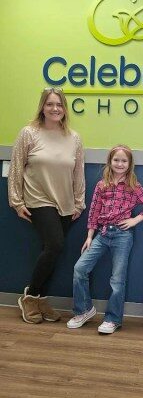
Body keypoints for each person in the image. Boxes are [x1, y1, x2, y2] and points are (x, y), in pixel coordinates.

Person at [8, 88, 85, 324]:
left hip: (66, 203)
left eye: (59, 105)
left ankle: (40, 299)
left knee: (52, 251)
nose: (55, 109)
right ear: (42, 106)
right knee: (55, 244)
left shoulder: (74, 138)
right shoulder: (29, 133)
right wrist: (16, 201)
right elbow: (16, 168)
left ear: (65, 109)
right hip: (38, 199)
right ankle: (29, 297)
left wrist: (79, 202)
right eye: (50, 104)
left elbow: (78, 172)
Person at [67, 144, 143, 335]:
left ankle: (113, 319)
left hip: (123, 236)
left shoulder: (134, 185)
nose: (120, 163)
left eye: (124, 161)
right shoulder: (102, 185)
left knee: (117, 280)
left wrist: (134, 220)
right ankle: (84, 310)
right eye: (116, 160)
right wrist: (90, 235)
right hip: (102, 234)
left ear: (129, 164)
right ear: (110, 161)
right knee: (80, 269)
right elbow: (94, 211)